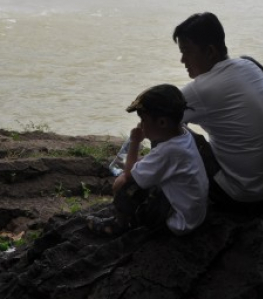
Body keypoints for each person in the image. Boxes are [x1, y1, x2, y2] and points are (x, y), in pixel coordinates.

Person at [172, 12, 263, 210]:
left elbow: (156, 118)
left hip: (240, 195)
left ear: (210, 52)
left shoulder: (202, 89)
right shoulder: (249, 66)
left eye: (187, 51)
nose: (182, 60)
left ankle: (161, 198)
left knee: (169, 127)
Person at [87, 84, 208, 236]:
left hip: (179, 222)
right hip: (193, 213)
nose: (141, 125)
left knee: (122, 183)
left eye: (143, 120)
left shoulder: (169, 151)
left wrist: (135, 142)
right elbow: (157, 162)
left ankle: (119, 225)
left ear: (162, 123)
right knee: (139, 170)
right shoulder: (183, 134)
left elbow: (129, 175)